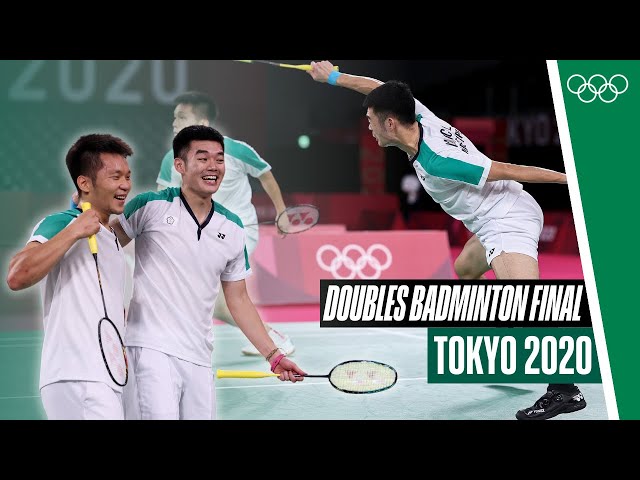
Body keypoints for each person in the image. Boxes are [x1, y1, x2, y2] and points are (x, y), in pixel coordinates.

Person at [307, 61, 586, 421]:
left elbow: (509, 169)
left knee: (528, 301)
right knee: (465, 270)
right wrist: (331, 76)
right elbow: (376, 86)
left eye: (372, 120)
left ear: (390, 123)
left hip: (508, 218)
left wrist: (573, 180)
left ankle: (565, 390)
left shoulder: (440, 159)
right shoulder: (416, 115)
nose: (369, 126)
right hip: (488, 222)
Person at [110, 125, 305, 420]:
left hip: (200, 356)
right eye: (202, 158)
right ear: (180, 165)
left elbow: (238, 300)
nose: (213, 166)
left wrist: (273, 356)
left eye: (219, 159)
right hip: (150, 349)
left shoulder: (233, 227)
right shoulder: (149, 206)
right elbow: (104, 248)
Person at [156, 91, 295, 357]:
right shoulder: (171, 160)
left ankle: (271, 338)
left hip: (238, 233)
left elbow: (265, 175)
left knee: (217, 302)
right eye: (174, 118)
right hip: (201, 236)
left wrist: (282, 212)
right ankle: (269, 337)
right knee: (214, 303)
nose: (175, 123)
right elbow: (163, 199)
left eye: (182, 117)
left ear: (203, 123)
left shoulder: (236, 150)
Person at [6, 134, 133, 420]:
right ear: (84, 183)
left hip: (105, 375)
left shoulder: (110, 238)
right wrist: (74, 230)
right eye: (115, 177)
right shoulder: (62, 222)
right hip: (78, 375)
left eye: (127, 176)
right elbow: (17, 275)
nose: (125, 184)